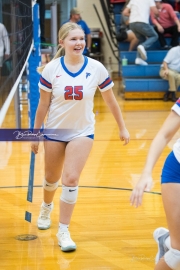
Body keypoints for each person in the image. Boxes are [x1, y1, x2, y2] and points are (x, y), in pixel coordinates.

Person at [31, 22, 130, 252]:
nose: (79, 43)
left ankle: (63, 230)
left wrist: (122, 127)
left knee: (71, 179)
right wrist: (35, 133)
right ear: (62, 43)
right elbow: (43, 104)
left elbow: (111, 101)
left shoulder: (96, 68)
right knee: (50, 178)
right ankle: (46, 206)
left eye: (81, 39)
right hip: (55, 131)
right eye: (73, 39)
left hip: (82, 131)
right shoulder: (51, 69)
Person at [130, 98, 180, 270]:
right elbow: (164, 134)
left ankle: (166, 239)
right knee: (178, 254)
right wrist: (146, 172)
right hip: (177, 172)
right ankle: (170, 242)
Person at [122, 0, 158, 66]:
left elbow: (124, 12)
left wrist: (133, 15)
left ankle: (138, 59)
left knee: (142, 40)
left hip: (132, 24)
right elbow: (155, 11)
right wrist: (158, 14)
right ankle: (143, 46)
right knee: (154, 36)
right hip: (142, 22)